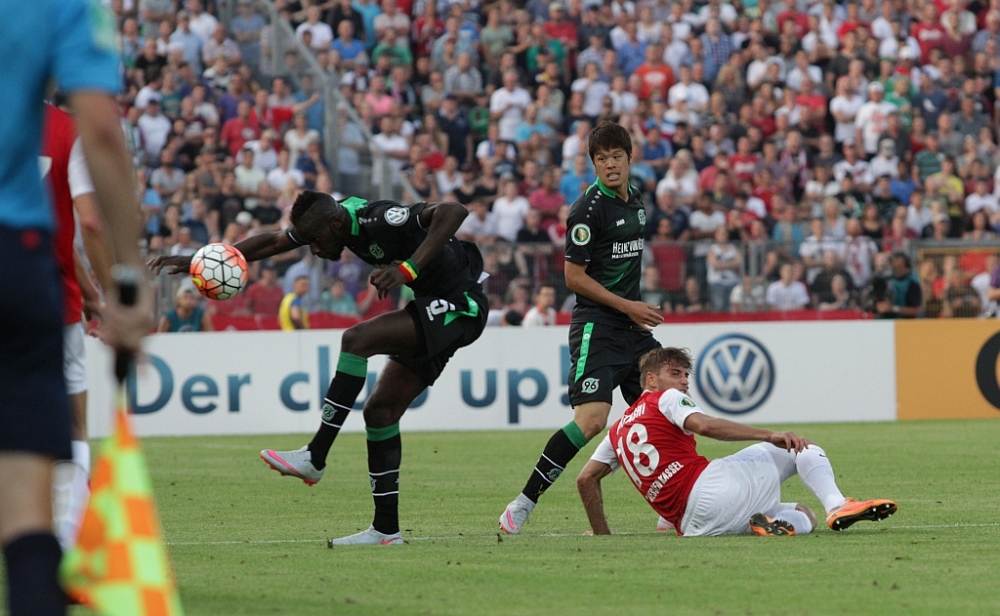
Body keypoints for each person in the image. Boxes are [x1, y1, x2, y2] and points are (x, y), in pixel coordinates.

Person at [150, 191, 488, 546]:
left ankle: (316, 454)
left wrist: (407, 269)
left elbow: (453, 210)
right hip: (436, 306)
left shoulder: (380, 219)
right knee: (380, 412)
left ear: (336, 223)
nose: (313, 248)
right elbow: (275, 242)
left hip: (459, 304)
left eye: (315, 240)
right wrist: (205, 261)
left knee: (356, 340)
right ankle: (386, 530)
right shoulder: (333, 220)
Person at [1, 1, 150, 613]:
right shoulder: (61, 7)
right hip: (17, 259)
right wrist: (128, 280)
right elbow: (103, 132)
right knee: (26, 504)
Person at [499, 121, 663, 535]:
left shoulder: (637, 201)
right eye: (602, 158)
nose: (610, 165)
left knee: (666, 408)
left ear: (630, 158)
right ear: (593, 164)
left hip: (632, 329)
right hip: (597, 326)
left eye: (617, 156)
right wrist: (628, 306)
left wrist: (632, 309)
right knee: (592, 420)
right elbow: (573, 278)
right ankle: (523, 503)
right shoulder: (587, 210)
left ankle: (673, 506)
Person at [576, 347, 898, 536]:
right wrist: (769, 434)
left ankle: (769, 526)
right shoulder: (666, 398)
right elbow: (705, 426)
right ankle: (838, 505)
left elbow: (586, 479)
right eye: (675, 373)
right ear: (651, 379)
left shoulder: (617, 431)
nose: (684, 381)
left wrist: (603, 534)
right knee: (799, 446)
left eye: (686, 375)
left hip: (695, 525)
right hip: (714, 490)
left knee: (804, 514)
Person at [42, 103, 111, 551]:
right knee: (73, 423)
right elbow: (88, 221)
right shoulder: (66, 130)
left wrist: (88, 292)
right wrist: (111, 295)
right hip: (47, 294)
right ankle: (71, 538)